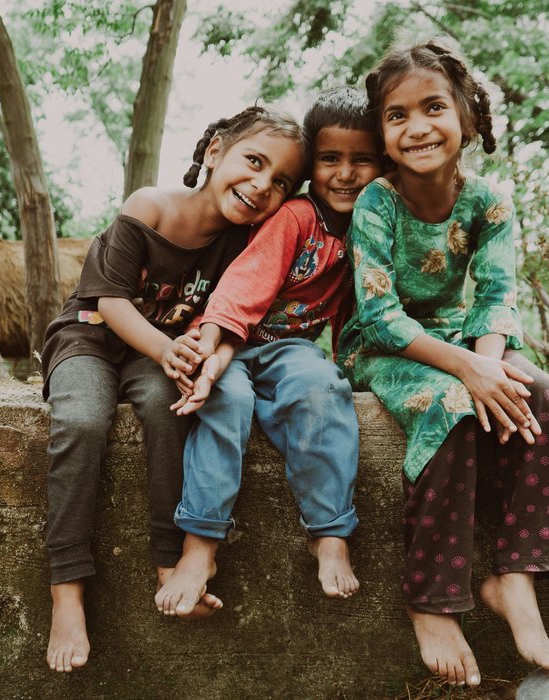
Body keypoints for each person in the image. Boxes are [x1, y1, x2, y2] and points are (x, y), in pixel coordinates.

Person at [337, 38, 549, 687]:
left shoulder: (488, 202)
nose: (416, 126)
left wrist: (491, 367)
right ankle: (433, 599)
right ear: (382, 134)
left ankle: (514, 579)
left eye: (433, 107)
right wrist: (466, 373)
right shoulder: (376, 203)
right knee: (450, 408)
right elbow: (380, 315)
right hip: (384, 346)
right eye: (396, 115)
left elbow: (497, 297)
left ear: (466, 116)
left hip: (459, 338)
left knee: (534, 389)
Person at [40, 106, 307, 673]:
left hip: (158, 353)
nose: (262, 185)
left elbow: (237, 322)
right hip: (91, 335)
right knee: (83, 422)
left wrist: (205, 360)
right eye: (254, 162)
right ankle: (67, 590)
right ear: (215, 152)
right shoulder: (150, 205)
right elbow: (110, 302)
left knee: (169, 409)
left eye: (280, 182)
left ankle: (172, 560)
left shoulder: (247, 245)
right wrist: (166, 350)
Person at [154, 87, 384, 618]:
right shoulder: (298, 216)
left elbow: (357, 309)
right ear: (310, 170)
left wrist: (354, 369)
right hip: (229, 339)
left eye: (361, 161)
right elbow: (244, 286)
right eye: (330, 160)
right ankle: (200, 546)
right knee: (224, 401)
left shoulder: (371, 228)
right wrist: (211, 345)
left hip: (289, 350)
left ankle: (329, 533)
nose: (345, 174)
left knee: (322, 387)